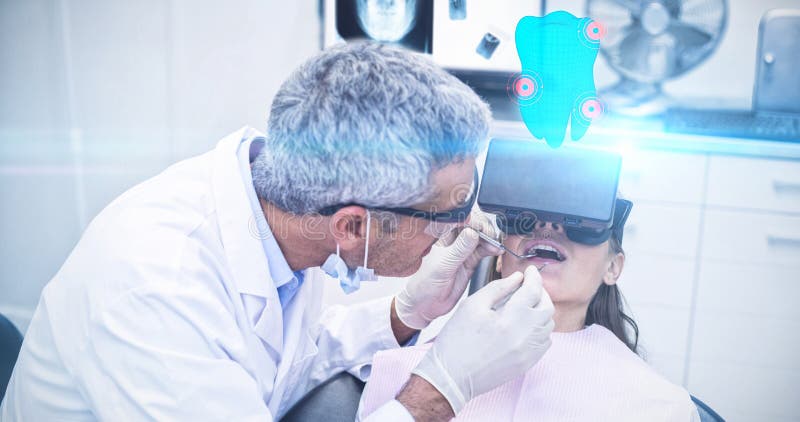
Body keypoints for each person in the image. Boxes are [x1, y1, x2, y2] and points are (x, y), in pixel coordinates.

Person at [0, 42, 554, 421]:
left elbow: (287, 359)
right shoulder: (154, 292)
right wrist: (443, 387)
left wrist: (406, 312)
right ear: (353, 224)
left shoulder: (282, 214)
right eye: (450, 211)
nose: (465, 226)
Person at [359, 198, 702, 421]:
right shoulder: (404, 369)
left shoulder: (657, 405)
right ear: (497, 256)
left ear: (613, 268)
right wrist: (406, 314)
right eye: (526, 217)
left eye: (581, 220)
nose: (549, 227)